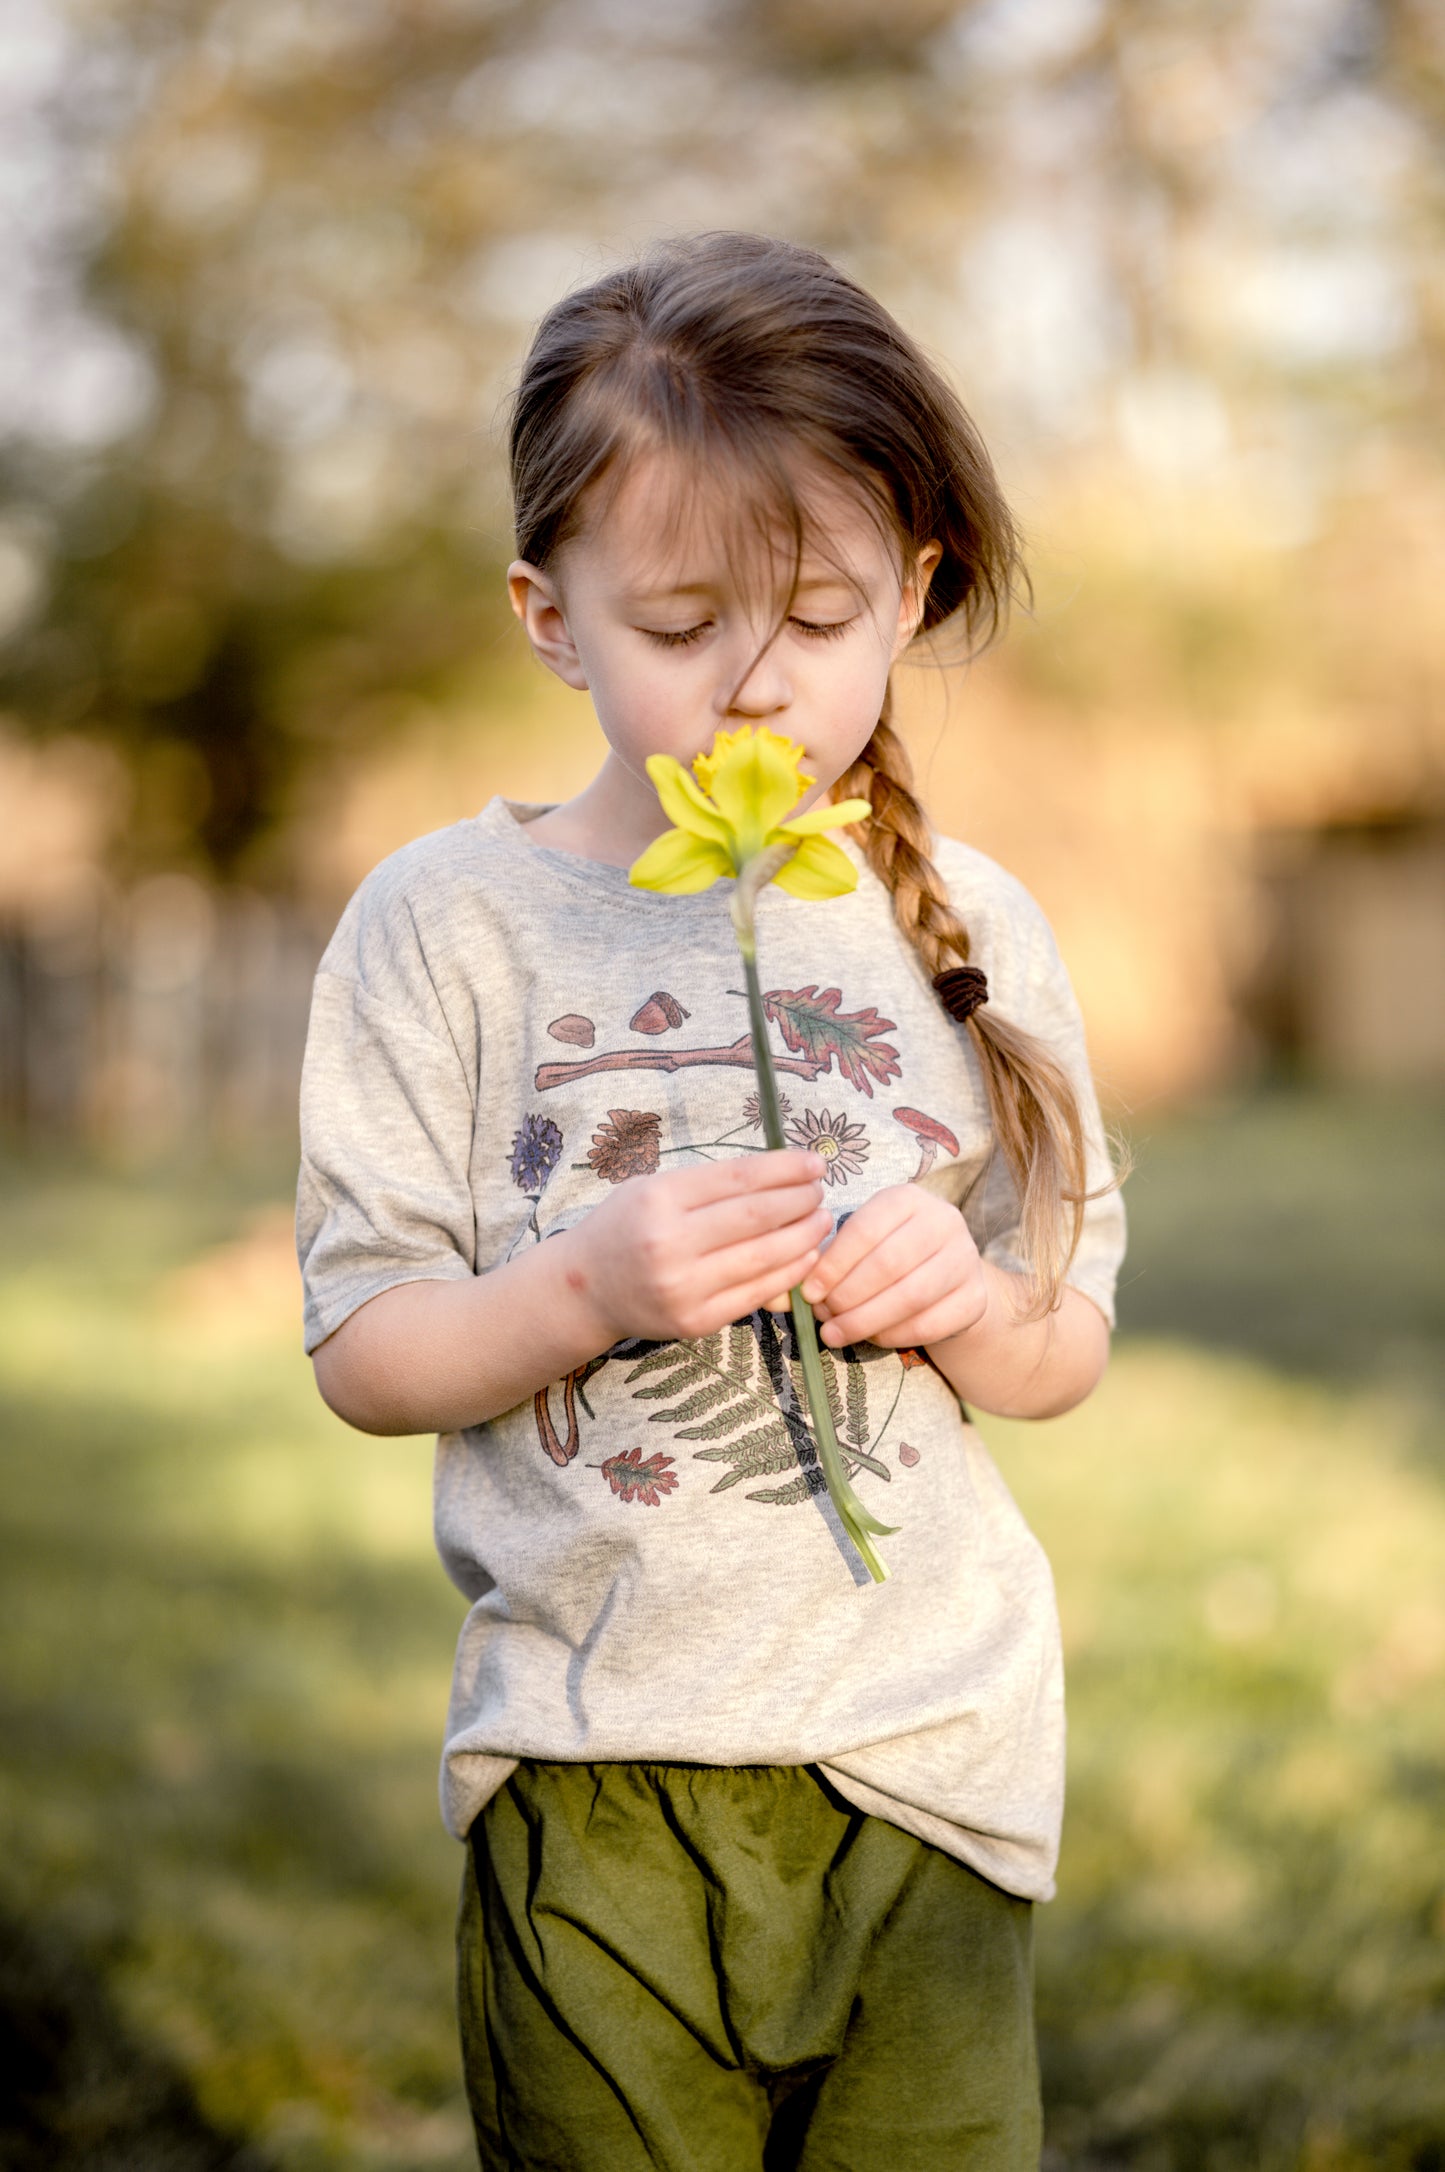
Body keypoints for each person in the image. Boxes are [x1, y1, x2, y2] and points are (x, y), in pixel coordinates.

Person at [296, 230, 1128, 2171]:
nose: (759, 680)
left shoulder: (972, 927)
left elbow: (1060, 1344)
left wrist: (975, 1306)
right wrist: (581, 1285)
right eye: (678, 626)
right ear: (550, 612)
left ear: (909, 591)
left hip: (924, 1758)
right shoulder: (450, 927)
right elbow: (365, 1348)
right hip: (595, 1766)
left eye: (824, 616)